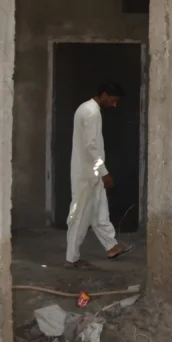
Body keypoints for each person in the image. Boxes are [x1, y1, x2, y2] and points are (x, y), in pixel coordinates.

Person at [65, 82, 133, 268]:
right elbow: (91, 147)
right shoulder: (92, 113)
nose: (114, 104)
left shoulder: (86, 109)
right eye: (113, 100)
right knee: (80, 215)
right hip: (88, 174)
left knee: (99, 210)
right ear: (104, 95)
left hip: (91, 172)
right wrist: (104, 173)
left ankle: (112, 247)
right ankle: (71, 259)